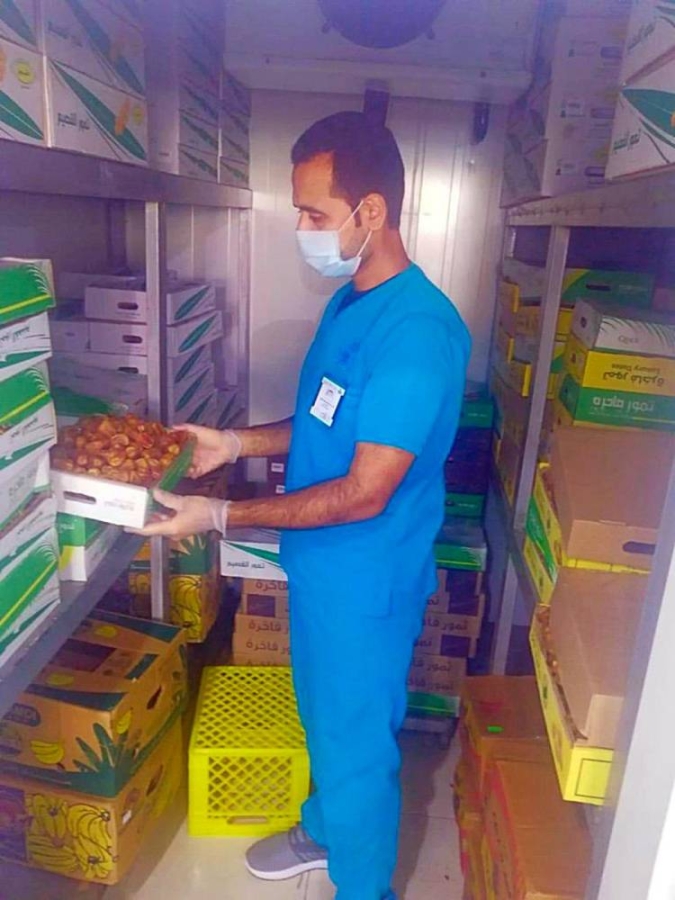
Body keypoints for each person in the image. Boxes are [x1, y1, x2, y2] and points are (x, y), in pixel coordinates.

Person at [137, 110, 471, 900]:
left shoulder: (416, 333)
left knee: (355, 747)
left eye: (314, 214)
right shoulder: (352, 302)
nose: (302, 230)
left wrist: (221, 518)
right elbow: (325, 423)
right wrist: (232, 444)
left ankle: (363, 887)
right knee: (325, 719)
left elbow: (363, 490)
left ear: (371, 211)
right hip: (323, 569)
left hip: (365, 580)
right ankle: (323, 832)